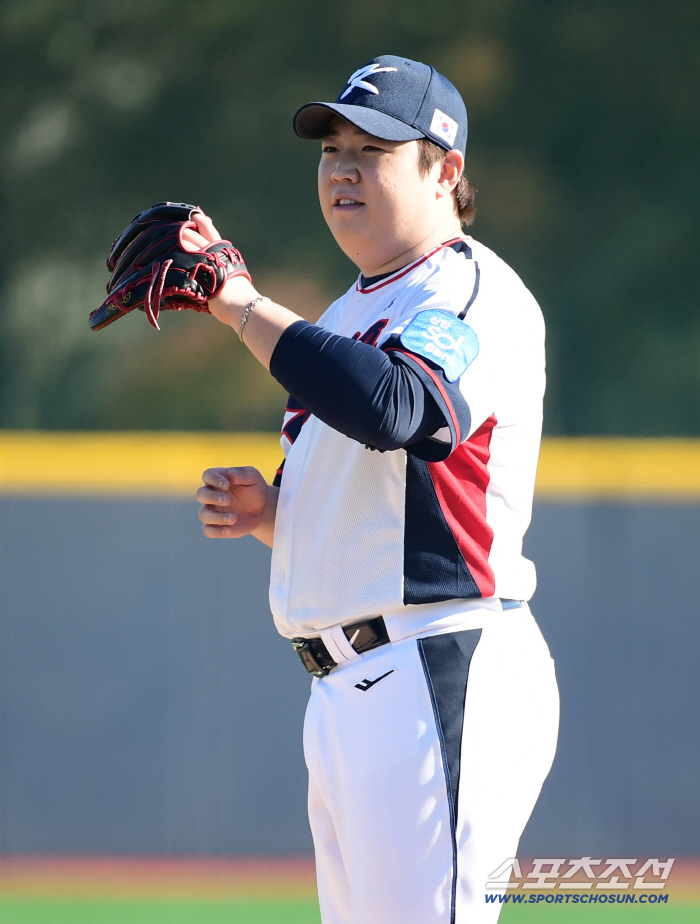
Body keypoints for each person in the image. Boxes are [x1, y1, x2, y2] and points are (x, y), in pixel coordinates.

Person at [194, 55, 559, 924]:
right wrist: (275, 513)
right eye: (332, 150)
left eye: (375, 149)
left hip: (438, 662)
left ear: (446, 171)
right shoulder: (345, 314)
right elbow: (388, 507)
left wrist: (240, 304)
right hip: (351, 689)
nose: (343, 169)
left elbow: (402, 409)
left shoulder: (467, 287)